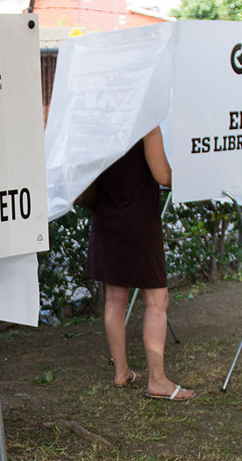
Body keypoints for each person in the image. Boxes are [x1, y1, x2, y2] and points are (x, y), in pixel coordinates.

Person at [87, 126, 194, 402]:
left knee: (115, 298)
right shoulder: (145, 123)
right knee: (157, 299)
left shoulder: (98, 123)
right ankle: (157, 380)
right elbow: (163, 175)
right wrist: (196, 178)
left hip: (106, 216)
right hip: (139, 220)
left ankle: (121, 371)